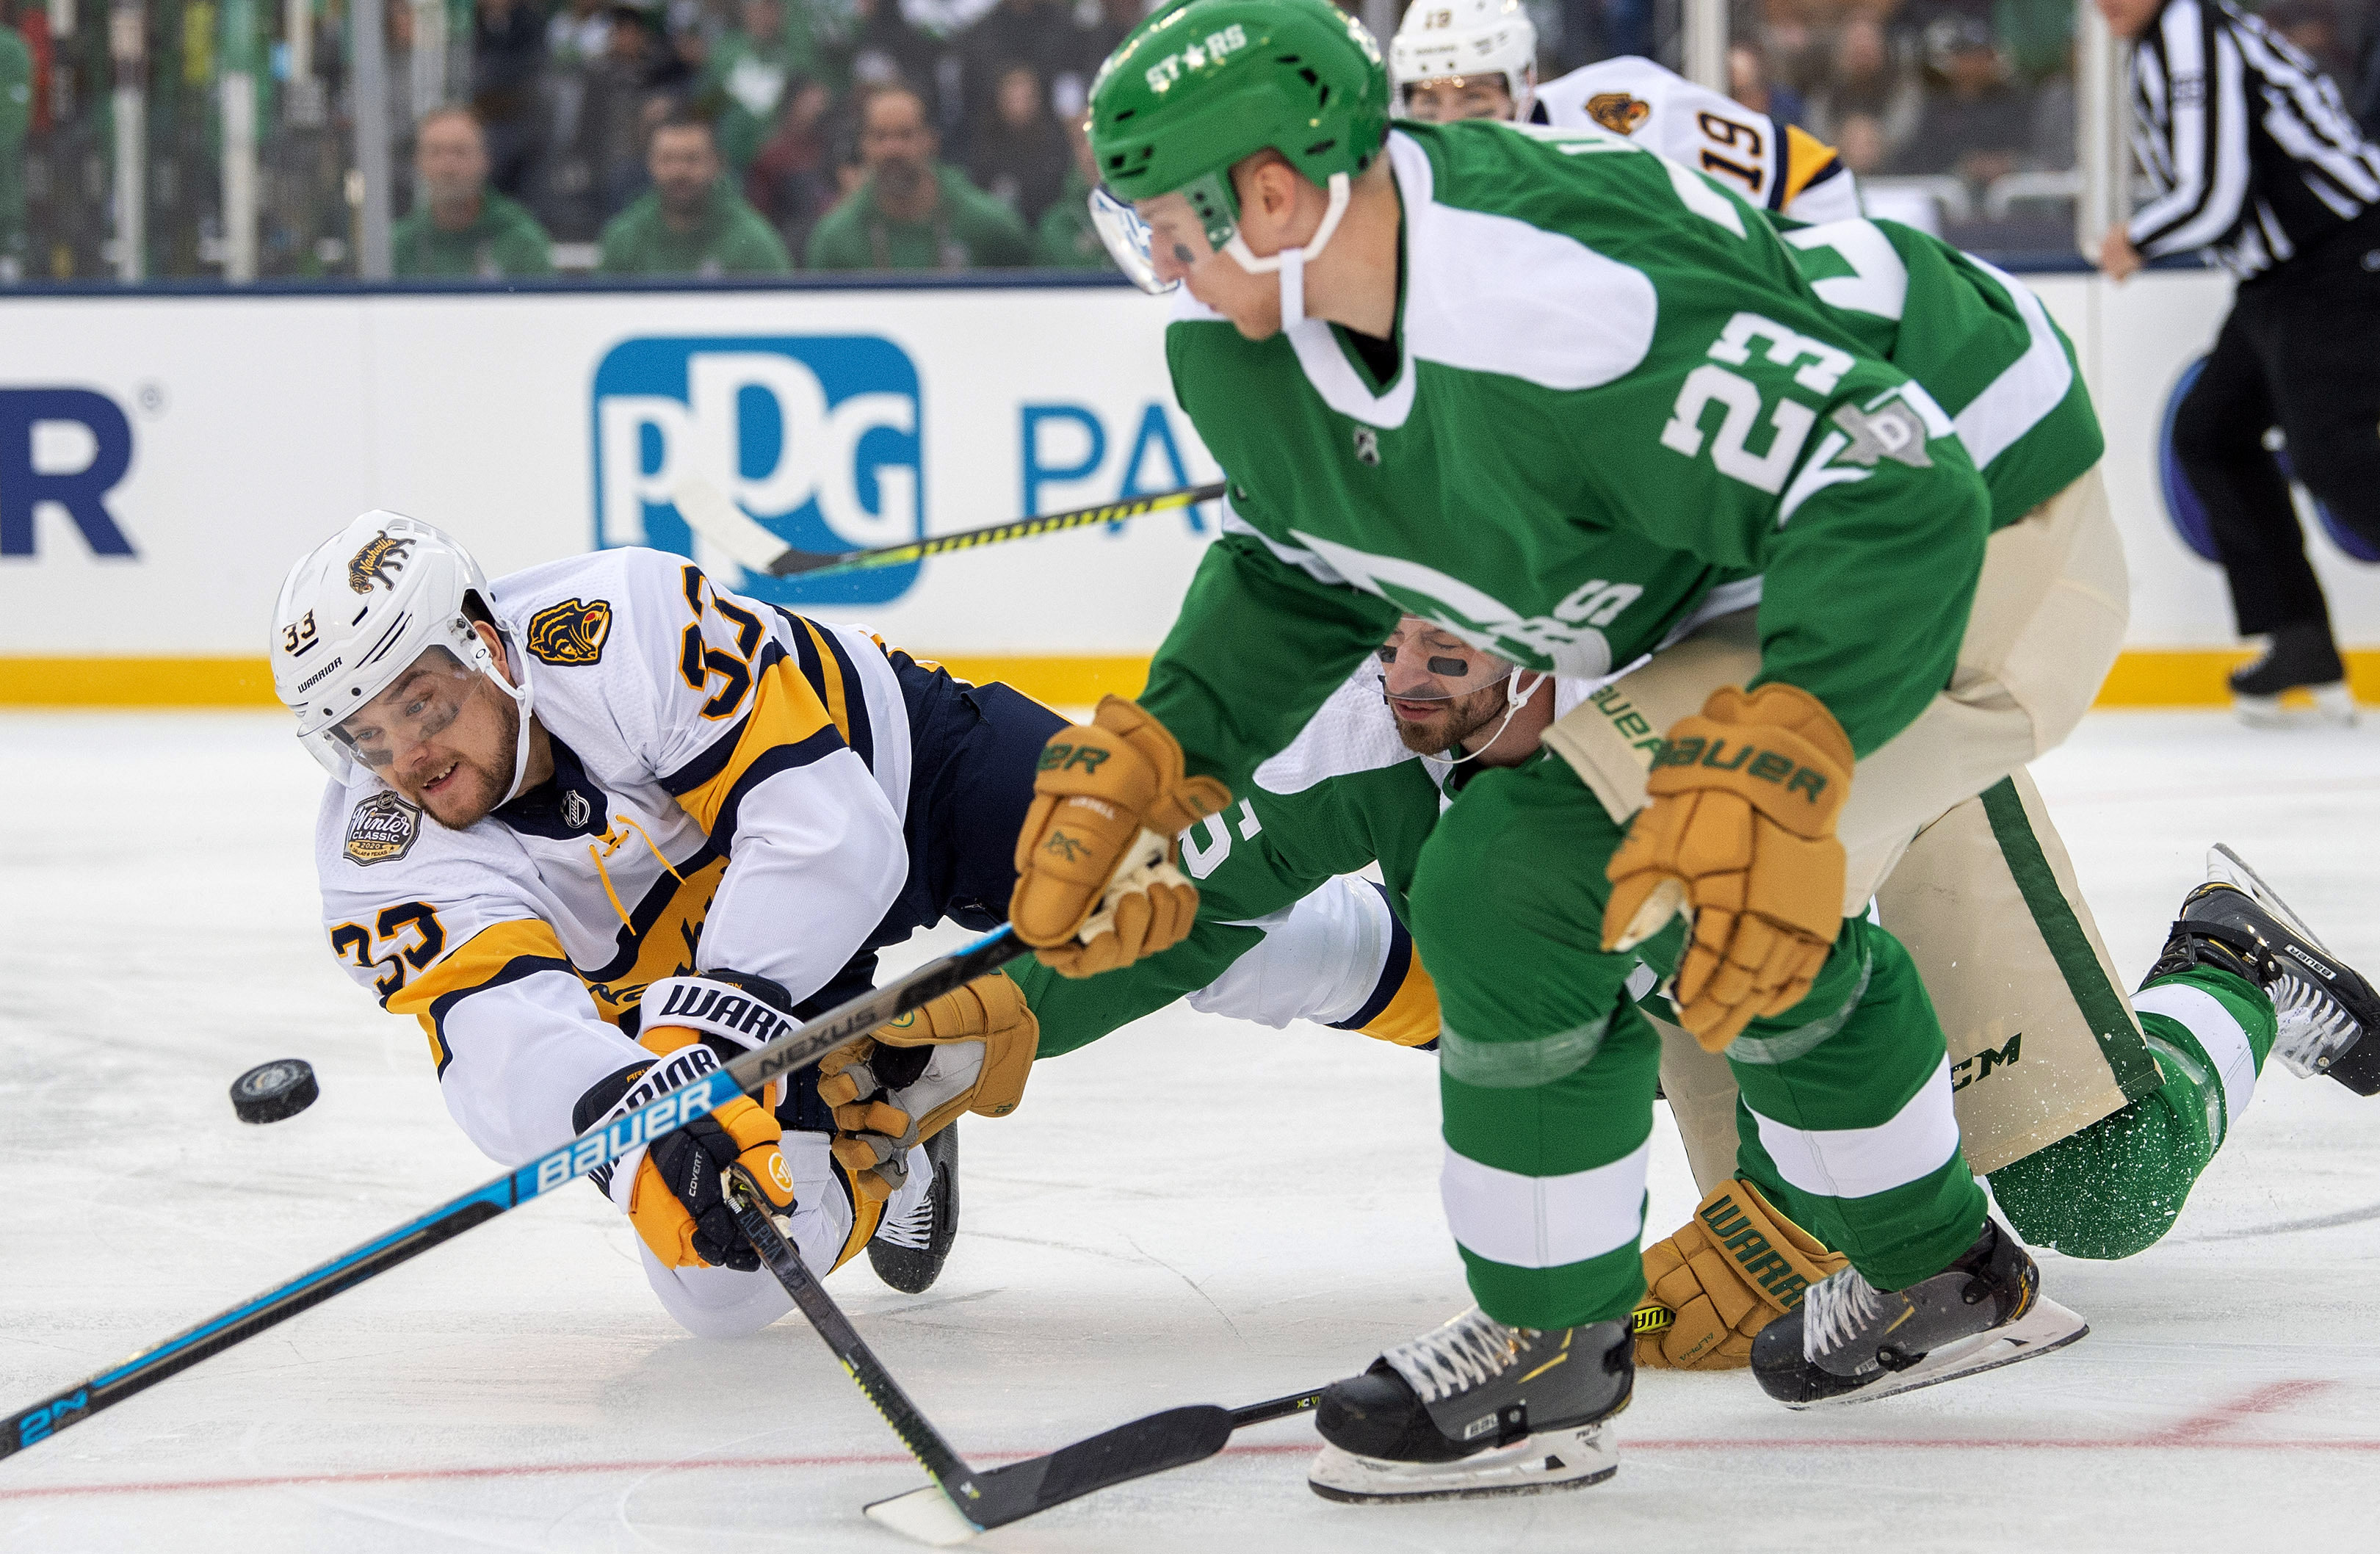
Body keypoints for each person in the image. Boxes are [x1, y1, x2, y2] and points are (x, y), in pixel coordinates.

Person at [1047, 0, 2125, 1499]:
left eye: (1167, 222)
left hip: (1978, 512)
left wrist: (1784, 742)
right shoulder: (1256, 336)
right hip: (1755, 539)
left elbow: (1886, 477)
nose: (1154, 259)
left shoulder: (1548, 297)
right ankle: (1940, 1270)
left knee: (1527, 874)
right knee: (1678, 887)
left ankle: (1548, 1343)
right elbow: (1306, 567)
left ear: (1276, 195)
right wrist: (1171, 746)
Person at [269, 513, 1437, 1329]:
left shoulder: (613, 621)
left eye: (421, 703)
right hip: (731, 992)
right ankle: (900, 1139)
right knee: (718, 1284)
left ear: (483, 642)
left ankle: (1460, 984)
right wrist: (638, 1144)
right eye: (367, 736)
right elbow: (499, 1038)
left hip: (904, 778)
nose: (409, 757)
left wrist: (699, 1048)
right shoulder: (376, 856)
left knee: (1148, 903)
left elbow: (829, 834)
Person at [2095, 0, 2380, 725]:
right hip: (2279, 277)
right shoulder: (2165, 37)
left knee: (2338, 460)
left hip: (2340, 257)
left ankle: (2299, 639)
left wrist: (2137, 237)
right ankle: (2300, 642)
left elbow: (2212, 197)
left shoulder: (2189, 32)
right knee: (2211, 432)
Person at [1389, 0, 1860, 223]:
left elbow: (1809, 176)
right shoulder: (1397, 190)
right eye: (1428, 102)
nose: (1450, 127)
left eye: (1474, 99)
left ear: (1526, 84)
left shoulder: (1617, 115)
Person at [806, 83, 1032, 270]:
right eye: (880, 137)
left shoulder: (990, 225)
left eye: (905, 135)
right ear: (864, 146)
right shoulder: (835, 239)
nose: (892, 149)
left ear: (930, 141)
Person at [598, 112, 793, 275]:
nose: (679, 172)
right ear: (649, 164)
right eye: (667, 159)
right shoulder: (624, 237)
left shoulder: (752, 240)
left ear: (718, 164)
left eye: (691, 159)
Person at [392, 107, 557, 279]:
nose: (448, 167)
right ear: (418, 162)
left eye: (460, 152)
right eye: (435, 152)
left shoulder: (521, 240)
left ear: (485, 160)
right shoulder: (400, 245)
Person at [1894, 16, 2030, 191]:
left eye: (1981, 55)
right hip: (1953, 194)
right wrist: (1965, 165)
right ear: (1953, 59)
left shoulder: (2013, 102)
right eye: (1966, 55)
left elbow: (2029, 148)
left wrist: (2004, 162)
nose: (1974, 63)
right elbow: (1920, 159)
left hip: (2009, 191)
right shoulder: (1937, 106)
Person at [966, 62, 1072, 225]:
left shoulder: (1059, 145)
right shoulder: (986, 150)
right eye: (1013, 99)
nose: (1020, 107)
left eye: (1026, 98)